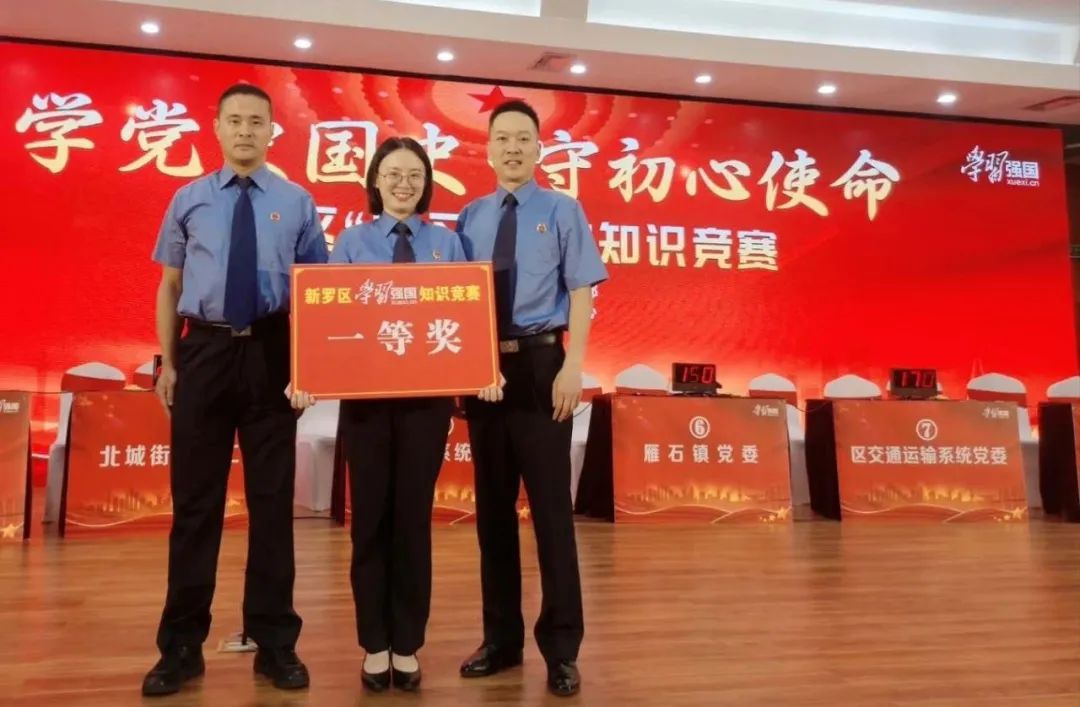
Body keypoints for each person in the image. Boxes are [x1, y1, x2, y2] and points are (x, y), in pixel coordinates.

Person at [142, 83, 328, 697]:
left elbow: (315, 295)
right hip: (204, 352)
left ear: (273, 130)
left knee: (272, 505)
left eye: (257, 122)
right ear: (218, 128)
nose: (246, 131)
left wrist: (310, 368)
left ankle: (275, 644)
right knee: (196, 505)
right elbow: (170, 286)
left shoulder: (298, 202)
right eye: (235, 121)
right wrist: (170, 364)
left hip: (271, 352)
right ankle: (180, 648)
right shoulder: (189, 198)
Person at [290, 137, 468, 692]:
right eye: (392, 174)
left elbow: (466, 318)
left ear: (426, 183)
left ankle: (407, 643)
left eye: (414, 174)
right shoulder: (351, 242)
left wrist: (479, 370)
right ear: (375, 181)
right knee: (369, 521)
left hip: (426, 406)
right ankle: (374, 642)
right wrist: (307, 371)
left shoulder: (448, 244)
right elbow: (327, 319)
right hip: (366, 405)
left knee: (412, 520)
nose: (403, 184)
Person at [455, 99, 608, 697]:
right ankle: (500, 640)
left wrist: (573, 366)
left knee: (551, 516)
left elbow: (582, 292)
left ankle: (562, 648)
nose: (513, 148)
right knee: (492, 514)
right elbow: (458, 298)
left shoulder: (563, 209)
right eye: (503, 138)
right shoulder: (469, 217)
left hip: (545, 367)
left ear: (539, 149)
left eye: (524, 138)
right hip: (486, 371)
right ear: (489, 149)